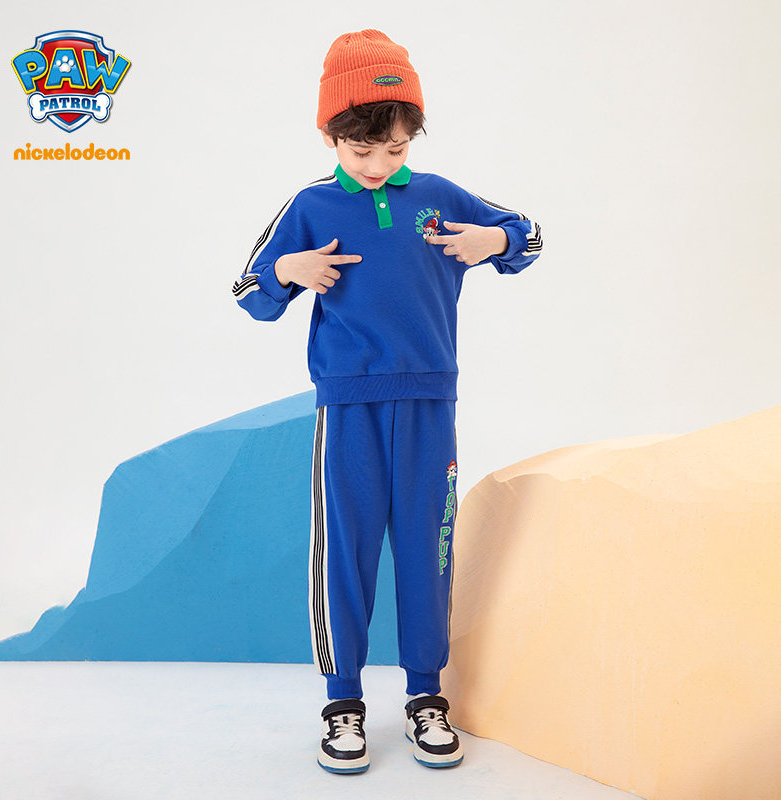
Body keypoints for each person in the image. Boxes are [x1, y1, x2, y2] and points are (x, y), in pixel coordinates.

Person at [232, 29, 543, 774]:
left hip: (430, 401)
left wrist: (493, 244)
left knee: (429, 549)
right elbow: (248, 291)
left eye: (395, 149)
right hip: (348, 408)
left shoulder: (437, 197)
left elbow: (529, 234)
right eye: (361, 150)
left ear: (412, 136)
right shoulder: (309, 206)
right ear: (331, 135)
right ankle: (342, 703)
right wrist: (288, 269)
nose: (378, 165)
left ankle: (425, 695)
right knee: (347, 550)